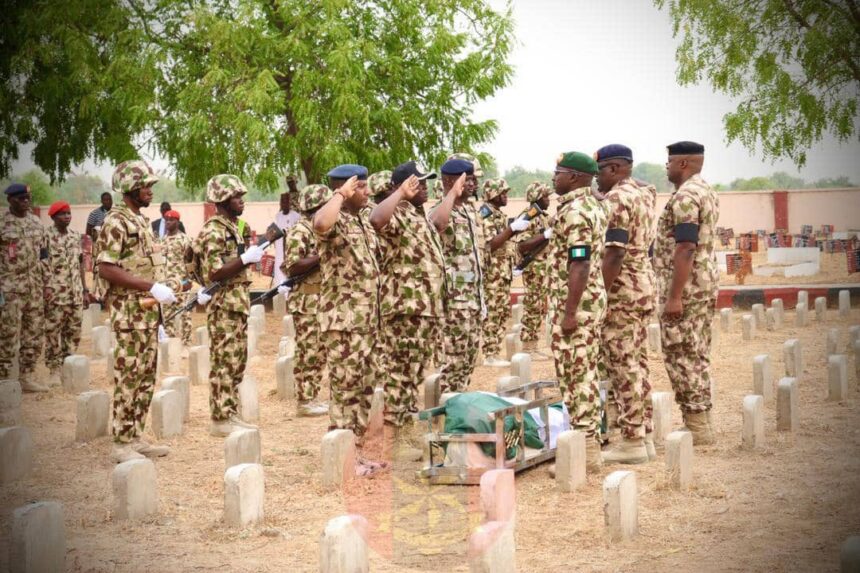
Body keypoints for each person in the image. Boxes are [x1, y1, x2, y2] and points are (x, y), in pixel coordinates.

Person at [95, 160, 179, 463]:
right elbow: (106, 268)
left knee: (145, 377)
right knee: (129, 376)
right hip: (129, 315)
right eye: (146, 186)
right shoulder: (116, 222)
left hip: (146, 313)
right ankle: (121, 442)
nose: (150, 191)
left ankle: (135, 436)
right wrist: (150, 287)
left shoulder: (140, 221)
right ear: (131, 188)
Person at [370, 161, 450, 461]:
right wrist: (399, 193)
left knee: (412, 373)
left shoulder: (418, 218)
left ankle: (402, 431)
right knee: (398, 373)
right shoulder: (396, 215)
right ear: (405, 186)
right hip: (404, 309)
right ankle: (391, 437)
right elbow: (376, 220)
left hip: (423, 310)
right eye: (420, 183)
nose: (426, 187)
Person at [313, 164, 386, 476]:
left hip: (367, 320)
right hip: (344, 322)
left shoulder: (362, 221)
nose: (367, 192)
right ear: (346, 188)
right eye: (362, 187)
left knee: (364, 389)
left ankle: (355, 453)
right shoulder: (335, 218)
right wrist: (339, 196)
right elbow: (319, 224)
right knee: (345, 390)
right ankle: (342, 458)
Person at [594, 144, 657, 465]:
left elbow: (615, 252)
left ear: (615, 169)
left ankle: (632, 440)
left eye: (600, 172)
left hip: (623, 291)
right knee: (637, 362)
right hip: (643, 286)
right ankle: (643, 434)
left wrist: (600, 296)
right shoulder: (644, 194)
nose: (596, 180)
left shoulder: (618, 199)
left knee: (623, 364)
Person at [546, 152, 607, 474]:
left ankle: (586, 453)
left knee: (576, 377)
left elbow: (579, 262)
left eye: (558, 173)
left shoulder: (576, 212)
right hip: (588, 302)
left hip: (577, 307)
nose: (553, 178)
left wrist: (569, 313)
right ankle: (589, 446)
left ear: (573, 177)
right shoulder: (593, 205)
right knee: (584, 374)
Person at [655, 141, 719, 446]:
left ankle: (697, 425)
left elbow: (685, 246)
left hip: (687, 288)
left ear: (682, 163)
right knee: (697, 353)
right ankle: (701, 420)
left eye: (668, 162)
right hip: (703, 285)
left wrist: (674, 296)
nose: (665, 167)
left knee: (681, 355)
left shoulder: (685, 197)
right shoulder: (705, 189)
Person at [196, 174, 261, 437]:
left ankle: (230, 412)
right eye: (236, 197)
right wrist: (245, 259)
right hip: (223, 306)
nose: (241, 201)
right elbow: (214, 272)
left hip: (236, 305)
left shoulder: (230, 227)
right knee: (224, 362)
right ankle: (220, 418)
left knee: (236, 361)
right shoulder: (214, 230)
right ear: (223, 199)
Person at [430, 159, 481, 393]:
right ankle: (445, 409)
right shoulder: (442, 209)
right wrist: (452, 193)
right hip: (453, 301)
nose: (472, 184)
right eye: (466, 180)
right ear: (450, 181)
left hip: (474, 298)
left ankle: (459, 401)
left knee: (469, 356)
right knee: (452, 357)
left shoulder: (470, 211)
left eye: (473, 179)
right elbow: (437, 223)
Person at [282, 184, 329, 418]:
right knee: (308, 351)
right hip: (307, 300)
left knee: (320, 351)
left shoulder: (320, 229)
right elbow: (292, 266)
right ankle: (305, 400)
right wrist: (323, 255)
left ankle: (312, 395)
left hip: (322, 298)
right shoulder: (300, 231)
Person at [0, 183, 50, 392]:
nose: (26, 201)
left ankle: (26, 376)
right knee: (7, 334)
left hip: (34, 289)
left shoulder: (36, 223)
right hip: (9, 289)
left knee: (33, 334)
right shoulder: (2, 224)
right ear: (10, 200)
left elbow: (45, 255)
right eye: (21, 198)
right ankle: (4, 379)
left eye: (27, 197)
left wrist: (47, 283)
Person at [479, 178, 530, 366]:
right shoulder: (486, 214)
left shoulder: (497, 215)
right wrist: (511, 229)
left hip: (502, 273)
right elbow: (490, 245)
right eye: (502, 193)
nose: (505, 196)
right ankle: (489, 354)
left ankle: (494, 352)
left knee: (500, 312)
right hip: (492, 274)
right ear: (492, 194)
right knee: (493, 313)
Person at [44, 201, 90, 387]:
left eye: (69, 213)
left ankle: (68, 365)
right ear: (54, 217)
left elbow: (80, 264)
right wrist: (46, 287)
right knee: (54, 332)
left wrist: (85, 290)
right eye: (62, 214)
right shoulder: (46, 236)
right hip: (56, 294)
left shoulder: (74, 236)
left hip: (75, 293)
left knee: (73, 332)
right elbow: (43, 264)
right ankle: (54, 369)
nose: (67, 217)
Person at [516, 182, 553, 349]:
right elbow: (521, 245)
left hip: (542, 268)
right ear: (537, 198)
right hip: (533, 268)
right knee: (533, 307)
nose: (548, 199)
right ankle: (528, 346)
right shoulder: (528, 216)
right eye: (545, 196)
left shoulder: (541, 216)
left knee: (539, 307)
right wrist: (545, 235)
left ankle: (533, 345)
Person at [160, 210, 194, 347]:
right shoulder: (162, 240)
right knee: (167, 314)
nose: (168, 222)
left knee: (185, 313)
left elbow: (192, 264)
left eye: (171, 220)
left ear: (177, 222)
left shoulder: (185, 240)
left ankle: (187, 343)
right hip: (166, 284)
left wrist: (189, 281)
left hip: (181, 283)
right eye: (166, 220)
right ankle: (170, 344)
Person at [273, 178, 301, 285]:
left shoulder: (299, 196)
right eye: (289, 183)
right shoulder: (278, 216)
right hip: (280, 245)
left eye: (292, 182)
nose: (290, 184)